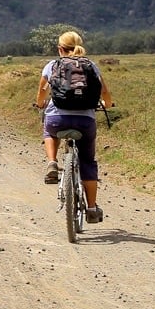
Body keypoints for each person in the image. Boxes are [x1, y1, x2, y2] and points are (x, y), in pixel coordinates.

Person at [32, 31, 114, 223]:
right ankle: (92, 209)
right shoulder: (91, 66)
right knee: (88, 163)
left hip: (57, 119)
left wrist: (41, 104)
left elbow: (41, 94)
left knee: (49, 130)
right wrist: (107, 104)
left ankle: (52, 162)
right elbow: (105, 92)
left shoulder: (52, 66)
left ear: (60, 49)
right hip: (85, 122)